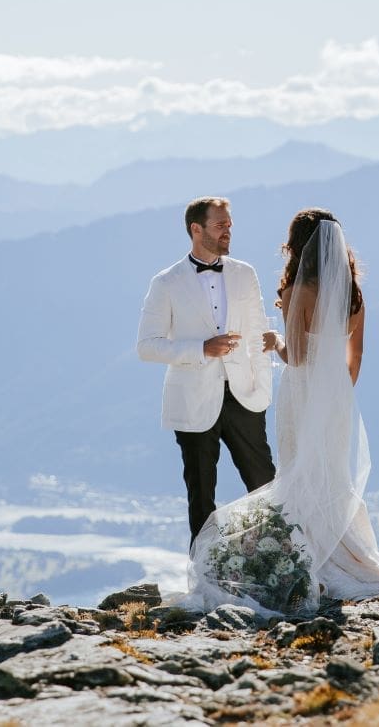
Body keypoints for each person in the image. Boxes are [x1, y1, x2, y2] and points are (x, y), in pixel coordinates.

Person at [184, 208, 379, 615]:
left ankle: (316, 554)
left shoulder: (301, 292)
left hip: (303, 393)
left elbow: (297, 357)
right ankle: (341, 548)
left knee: (300, 469)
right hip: (336, 394)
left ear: (298, 246)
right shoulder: (352, 292)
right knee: (330, 472)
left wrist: (274, 341)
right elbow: (356, 356)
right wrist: (335, 392)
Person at [137, 196, 276, 546]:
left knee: (266, 486)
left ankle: (284, 560)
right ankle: (205, 575)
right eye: (220, 224)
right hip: (193, 401)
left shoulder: (246, 274)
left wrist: (263, 389)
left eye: (229, 223)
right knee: (201, 496)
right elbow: (147, 346)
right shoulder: (166, 282)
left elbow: (259, 333)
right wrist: (201, 349)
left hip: (244, 395)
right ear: (196, 229)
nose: (228, 230)